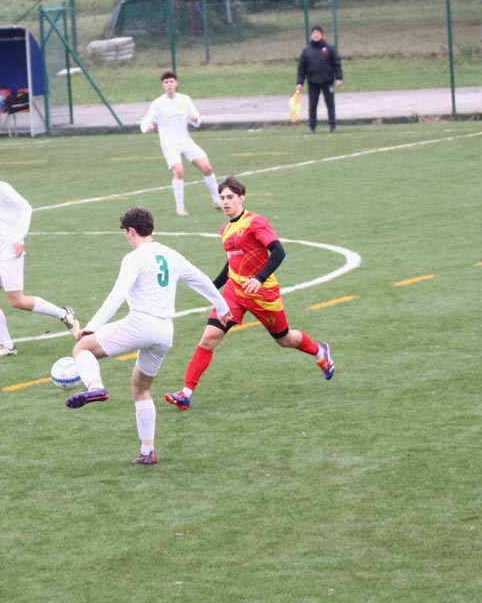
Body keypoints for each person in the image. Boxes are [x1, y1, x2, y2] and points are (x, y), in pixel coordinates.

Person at [65, 206, 231, 466]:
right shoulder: (172, 255)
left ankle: (95, 387)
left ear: (131, 231)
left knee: (82, 349)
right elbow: (200, 279)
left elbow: (117, 295)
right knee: (141, 389)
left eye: (125, 232)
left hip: (140, 324)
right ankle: (147, 451)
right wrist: (222, 307)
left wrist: (93, 326)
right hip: (165, 332)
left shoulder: (134, 258)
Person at [164, 175, 335, 412]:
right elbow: (232, 263)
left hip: (262, 294)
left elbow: (278, 251)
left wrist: (259, 278)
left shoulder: (255, 222)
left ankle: (319, 351)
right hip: (234, 293)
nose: (225, 202)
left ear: (241, 198)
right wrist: (212, 287)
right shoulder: (225, 229)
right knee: (209, 337)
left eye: (230, 197)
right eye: (222, 198)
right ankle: (186, 393)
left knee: (284, 339)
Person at [0, 148, 81, 358]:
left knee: (18, 301)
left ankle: (64, 314)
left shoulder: (0, 188)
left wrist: (19, 238)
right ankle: (7, 345)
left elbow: (25, 208)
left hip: (9, 249)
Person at [140, 71, 221, 217]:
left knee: (207, 168)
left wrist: (195, 119)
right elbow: (145, 122)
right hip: (169, 144)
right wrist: (147, 127)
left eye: (171, 82)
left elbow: (196, 120)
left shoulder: (185, 99)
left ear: (176, 83)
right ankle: (180, 207)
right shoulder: (158, 104)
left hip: (185, 141)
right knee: (178, 171)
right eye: (166, 82)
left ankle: (217, 201)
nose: (169, 85)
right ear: (162, 85)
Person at [296, 24, 343, 134]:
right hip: (313, 82)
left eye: (318, 33)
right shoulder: (307, 51)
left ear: (322, 35)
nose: (316, 35)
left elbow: (336, 64)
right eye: (314, 33)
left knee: (330, 104)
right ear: (311, 35)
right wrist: (299, 82)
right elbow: (301, 68)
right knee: (312, 106)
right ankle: (312, 127)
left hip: (327, 81)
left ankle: (332, 125)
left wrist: (339, 77)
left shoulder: (329, 49)